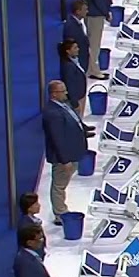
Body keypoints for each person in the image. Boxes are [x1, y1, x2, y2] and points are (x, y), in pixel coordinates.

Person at [42, 80, 91, 226]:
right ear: (54, 94)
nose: (66, 93)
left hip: (71, 152)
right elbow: (57, 139)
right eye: (63, 91)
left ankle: (60, 210)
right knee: (59, 185)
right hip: (63, 157)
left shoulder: (63, 105)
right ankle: (60, 213)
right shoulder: (52, 113)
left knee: (62, 183)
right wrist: (65, 160)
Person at [82, 0, 110, 80]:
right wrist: (106, 13)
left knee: (94, 44)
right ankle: (94, 70)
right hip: (95, 15)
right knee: (94, 45)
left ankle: (93, 68)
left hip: (94, 14)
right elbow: (98, 0)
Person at [58, 40, 88, 116]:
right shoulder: (68, 66)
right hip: (76, 98)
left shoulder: (75, 61)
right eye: (75, 48)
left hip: (81, 95)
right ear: (68, 51)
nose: (78, 49)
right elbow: (70, 86)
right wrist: (75, 103)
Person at [62, 0, 91, 75]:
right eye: (85, 9)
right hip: (78, 62)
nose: (87, 12)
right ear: (78, 11)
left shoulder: (77, 24)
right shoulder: (71, 26)